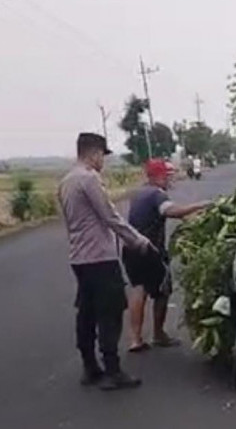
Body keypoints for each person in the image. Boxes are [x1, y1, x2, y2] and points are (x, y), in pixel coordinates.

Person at [58, 132, 152, 391]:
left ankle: (90, 367)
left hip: (79, 257)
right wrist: (138, 241)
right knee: (109, 312)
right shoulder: (89, 179)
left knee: (86, 312)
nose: (103, 161)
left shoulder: (66, 181)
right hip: (99, 256)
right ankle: (113, 371)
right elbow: (110, 216)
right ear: (94, 153)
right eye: (102, 156)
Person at [123, 159, 211, 352]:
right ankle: (158, 334)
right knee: (163, 290)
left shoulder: (138, 192)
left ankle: (135, 339)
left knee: (139, 289)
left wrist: (190, 219)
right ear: (158, 176)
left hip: (131, 247)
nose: (170, 180)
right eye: (167, 176)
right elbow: (170, 211)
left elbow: (162, 214)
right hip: (151, 250)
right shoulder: (157, 194)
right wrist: (199, 206)